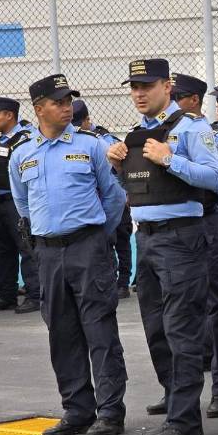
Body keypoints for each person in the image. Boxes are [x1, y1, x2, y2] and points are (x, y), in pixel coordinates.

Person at [106, 59, 218, 435]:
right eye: (134, 87)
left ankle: (185, 421)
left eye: (147, 86)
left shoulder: (192, 127)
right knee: (157, 331)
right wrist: (117, 166)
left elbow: (216, 178)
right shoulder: (137, 134)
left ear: (167, 86)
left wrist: (169, 158)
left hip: (182, 239)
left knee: (181, 331)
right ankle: (176, 406)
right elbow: (136, 189)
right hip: (148, 240)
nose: (139, 93)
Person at [11, 73, 128, 435]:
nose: (66, 107)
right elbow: (23, 205)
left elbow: (113, 197)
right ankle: (77, 409)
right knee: (61, 333)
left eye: (68, 101)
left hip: (88, 247)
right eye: (58, 102)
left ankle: (109, 411)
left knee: (100, 331)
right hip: (47, 251)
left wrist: (96, 235)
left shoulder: (90, 145)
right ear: (38, 108)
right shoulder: (22, 154)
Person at [170, 72, 218, 420]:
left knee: (217, 308)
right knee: (183, 314)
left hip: (212, 222)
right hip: (185, 226)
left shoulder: (202, 133)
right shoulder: (177, 130)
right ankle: (177, 393)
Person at [0, 97, 40, 314]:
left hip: (16, 202)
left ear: (9, 115)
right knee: (3, 249)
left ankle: (35, 295)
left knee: (26, 248)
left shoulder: (25, 138)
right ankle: (7, 295)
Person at [71, 99, 132, 300]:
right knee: (107, 244)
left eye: (79, 124)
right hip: (96, 201)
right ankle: (112, 278)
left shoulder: (107, 140)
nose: (76, 128)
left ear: (88, 120)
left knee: (121, 240)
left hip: (117, 197)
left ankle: (123, 281)